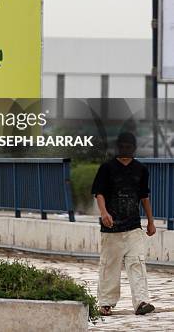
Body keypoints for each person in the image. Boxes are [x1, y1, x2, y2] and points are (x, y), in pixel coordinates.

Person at [91, 131, 156, 317]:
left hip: (134, 226)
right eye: (122, 146)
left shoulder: (141, 170)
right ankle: (106, 304)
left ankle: (142, 302)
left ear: (134, 148)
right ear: (117, 147)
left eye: (129, 146)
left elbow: (144, 197)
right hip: (112, 228)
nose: (125, 149)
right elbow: (99, 193)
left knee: (137, 263)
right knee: (109, 266)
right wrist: (104, 213)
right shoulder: (107, 168)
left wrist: (150, 222)